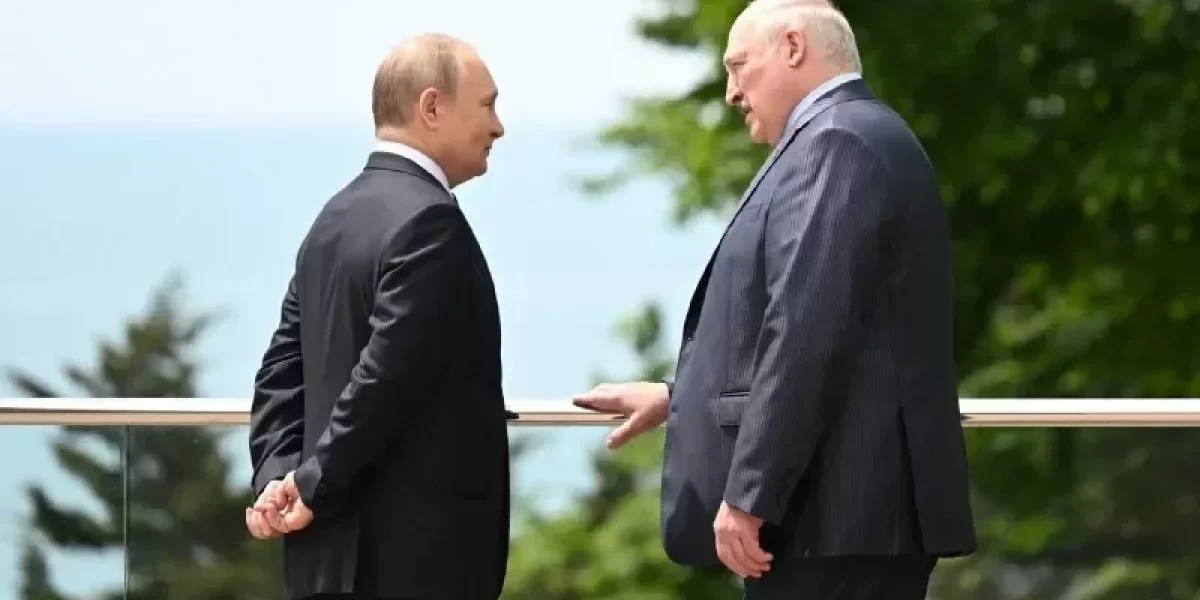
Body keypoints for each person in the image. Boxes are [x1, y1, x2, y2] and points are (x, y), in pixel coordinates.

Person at [573, 1, 976, 597]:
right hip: (850, 522)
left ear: (793, 46)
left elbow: (805, 331)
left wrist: (750, 493)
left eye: (739, 65)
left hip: (836, 521)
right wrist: (679, 396)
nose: (731, 92)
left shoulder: (837, 142)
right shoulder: (858, 134)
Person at [244, 33, 510, 600]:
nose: (498, 127)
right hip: (412, 564)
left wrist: (278, 477)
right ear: (432, 106)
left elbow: (279, 373)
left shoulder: (333, 218)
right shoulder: (431, 223)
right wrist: (310, 486)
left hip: (321, 559)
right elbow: (385, 378)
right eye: (488, 105)